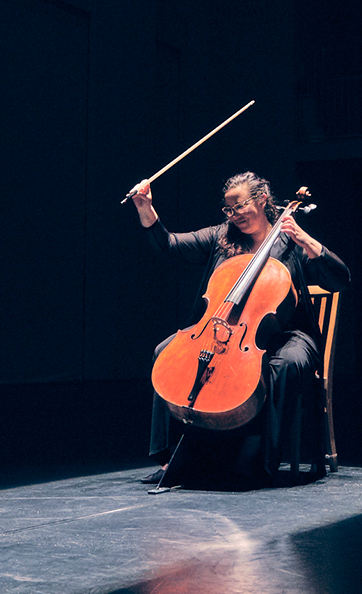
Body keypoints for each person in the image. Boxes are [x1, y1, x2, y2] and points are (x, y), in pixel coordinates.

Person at [129, 171, 350, 488]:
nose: (234, 215)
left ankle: (259, 460)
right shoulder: (222, 236)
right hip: (228, 333)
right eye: (228, 210)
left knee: (285, 365)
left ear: (261, 200)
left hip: (288, 333)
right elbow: (170, 244)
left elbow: (340, 279)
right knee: (166, 352)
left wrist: (306, 239)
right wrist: (145, 208)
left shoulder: (289, 240)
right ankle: (171, 459)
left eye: (240, 207)